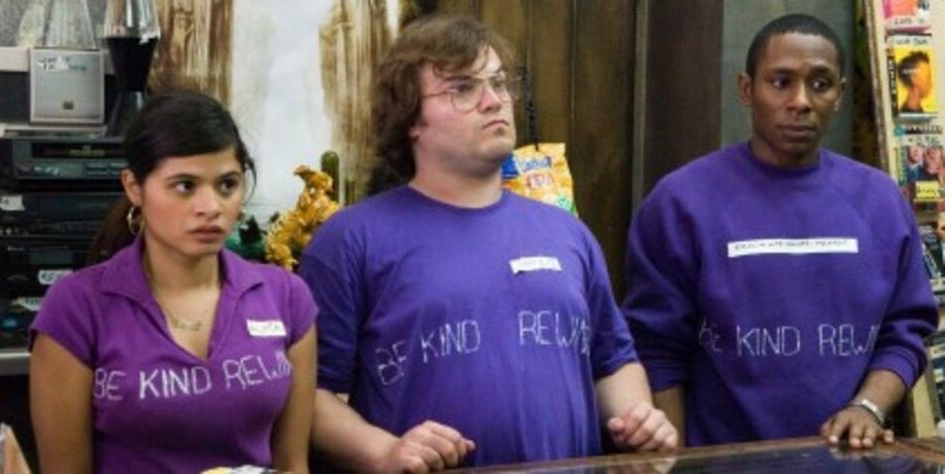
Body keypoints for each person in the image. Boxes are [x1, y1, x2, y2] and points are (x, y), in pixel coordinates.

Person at [298, 14, 677, 470]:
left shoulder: (566, 232)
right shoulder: (351, 239)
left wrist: (638, 419)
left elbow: (613, 362)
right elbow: (309, 398)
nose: (494, 100)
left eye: (499, 83)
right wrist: (385, 452)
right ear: (410, 117)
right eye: (463, 88)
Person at [623, 13, 937, 450]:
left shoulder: (880, 201)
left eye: (820, 84)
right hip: (724, 462)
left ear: (840, 94)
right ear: (746, 89)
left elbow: (906, 332)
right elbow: (657, 349)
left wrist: (867, 408)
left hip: (847, 460)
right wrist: (677, 461)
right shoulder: (681, 202)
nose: (801, 101)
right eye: (781, 82)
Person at [29, 91, 317, 473]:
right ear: (134, 187)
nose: (211, 207)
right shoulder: (77, 308)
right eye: (185, 186)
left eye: (227, 185)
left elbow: (293, 465)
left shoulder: (285, 296)